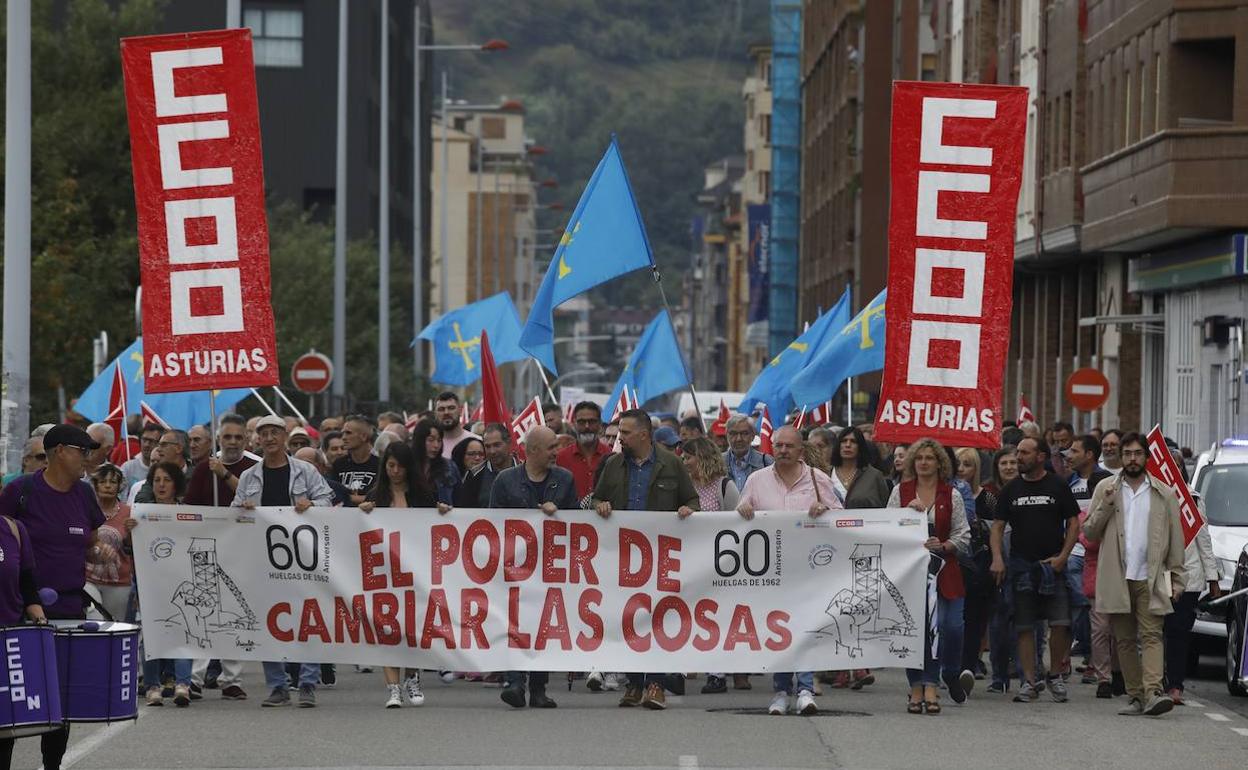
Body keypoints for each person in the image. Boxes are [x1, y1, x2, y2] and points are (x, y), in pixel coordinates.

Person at [0, 424, 117, 769]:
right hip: (19, 611)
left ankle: (52, 765)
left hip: (69, 607)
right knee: (15, 701)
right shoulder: (20, 491)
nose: (88, 457)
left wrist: (99, 553)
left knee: (60, 700)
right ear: (61, 451)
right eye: (82, 451)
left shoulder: (83, 494)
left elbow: (90, 543)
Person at [592, 408, 699, 710]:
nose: (620, 438)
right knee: (629, 620)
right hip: (624, 558)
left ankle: (655, 683)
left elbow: (692, 500)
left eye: (625, 433)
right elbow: (596, 498)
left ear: (643, 434)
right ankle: (634, 683)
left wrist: (687, 511)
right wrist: (600, 506)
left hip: (661, 557)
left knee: (657, 619)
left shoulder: (671, 464)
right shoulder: (613, 465)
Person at [232, 415, 334, 708]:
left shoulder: (306, 471)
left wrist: (312, 505)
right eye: (263, 433)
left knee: (307, 620)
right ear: (258, 439)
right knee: (268, 622)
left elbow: (329, 502)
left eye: (274, 432)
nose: (269, 438)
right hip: (263, 561)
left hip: (302, 559)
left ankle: (308, 683)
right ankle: (277, 685)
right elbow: (233, 514)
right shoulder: (250, 477)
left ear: (284, 436)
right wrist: (243, 509)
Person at [736, 425, 838, 715]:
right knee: (778, 629)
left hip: (809, 569)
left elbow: (843, 518)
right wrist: (742, 511)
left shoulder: (818, 480)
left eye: (788, 446)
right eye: (778, 445)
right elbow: (740, 515)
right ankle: (781, 690)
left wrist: (825, 511)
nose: (782, 451)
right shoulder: (757, 480)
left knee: (805, 627)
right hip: (771, 571)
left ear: (801, 451)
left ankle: (805, 689)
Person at [1082, 432, 1186, 717]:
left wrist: (1177, 579)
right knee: (1124, 639)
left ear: (1147, 457)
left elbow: (1176, 541)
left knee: (1153, 634)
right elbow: (1089, 532)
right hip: (1118, 576)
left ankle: (1153, 692)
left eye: (1137, 453)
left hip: (1152, 576)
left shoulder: (1164, 493)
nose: (1131, 459)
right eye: (1127, 453)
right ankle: (1136, 696)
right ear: (1120, 457)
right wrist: (1105, 503)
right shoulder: (1106, 487)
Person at [489, 426, 578, 709]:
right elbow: (491, 522)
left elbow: (578, 524)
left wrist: (559, 514)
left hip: (550, 566)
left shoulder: (564, 480)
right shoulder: (505, 481)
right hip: (515, 567)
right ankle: (515, 682)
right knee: (514, 621)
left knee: (543, 626)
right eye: (552, 447)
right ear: (534, 451)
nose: (557, 452)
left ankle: (539, 687)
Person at [990, 437, 1080, 705]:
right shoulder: (1011, 489)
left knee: (1061, 623)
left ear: (1041, 456)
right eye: (1018, 452)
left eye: (1024, 453)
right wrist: (997, 558)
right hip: (1021, 567)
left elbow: (1073, 522)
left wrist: (1063, 556)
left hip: (1053, 566)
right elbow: (997, 526)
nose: (1019, 457)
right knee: (1024, 626)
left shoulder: (1058, 485)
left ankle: (1054, 675)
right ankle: (1029, 681)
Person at [888, 439, 971, 714]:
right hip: (912, 573)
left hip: (946, 571)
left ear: (939, 463)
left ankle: (948, 671)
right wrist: (904, 517)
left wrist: (945, 546)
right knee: (918, 631)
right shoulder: (900, 492)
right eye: (919, 458)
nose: (924, 462)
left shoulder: (952, 494)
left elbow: (963, 534)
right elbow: (886, 530)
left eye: (929, 458)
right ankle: (921, 686)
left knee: (950, 626)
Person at [359, 442, 435, 709]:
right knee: (387, 627)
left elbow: (435, 523)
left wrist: (445, 512)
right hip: (385, 571)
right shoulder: (376, 496)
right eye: (391, 466)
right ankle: (393, 688)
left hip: (416, 571)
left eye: (400, 466)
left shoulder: (423, 495)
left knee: (412, 628)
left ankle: (412, 678)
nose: (396, 471)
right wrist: (364, 513)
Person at [826, 425, 889, 691]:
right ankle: (839, 667)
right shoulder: (824, 476)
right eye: (844, 441)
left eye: (853, 441)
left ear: (861, 447)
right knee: (838, 604)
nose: (848, 445)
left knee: (862, 605)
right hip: (831, 549)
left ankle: (861, 664)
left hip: (865, 548)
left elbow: (887, 513)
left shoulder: (874, 477)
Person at [0, 485, 48, 769]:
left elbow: (28, 585)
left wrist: (40, 623)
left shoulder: (13, 529)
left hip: (8, 637)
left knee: (4, 728)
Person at [142, 461, 196, 708]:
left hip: (182, 582)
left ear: (177, 484)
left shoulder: (189, 513)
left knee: (184, 630)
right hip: (151, 583)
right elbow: (130, 548)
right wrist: (131, 531)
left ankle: (183, 684)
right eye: (156, 480)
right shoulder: (141, 513)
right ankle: (152, 685)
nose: (161, 485)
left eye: (166, 480)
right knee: (153, 633)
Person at [1164, 478, 1219, 703]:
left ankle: (1175, 685)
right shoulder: (1152, 492)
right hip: (1162, 573)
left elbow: (1203, 539)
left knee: (1178, 631)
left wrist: (1212, 576)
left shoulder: (1193, 498)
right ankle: (1155, 680)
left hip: (1188, 576)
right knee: (1158, 628)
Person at [1064, 434, 1114, 671]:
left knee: (1097, 612)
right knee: (1078, 607)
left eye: (1074, 451)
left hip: (1101, 557)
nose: (1069, 456)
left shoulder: (1108, 482)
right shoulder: (1069, 484)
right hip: (1073, 554)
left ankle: (1097, 659)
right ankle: (1086, 651)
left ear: (1090, 455)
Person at [955, 448, 996, 683]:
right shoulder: (947, 493)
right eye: (958, 463)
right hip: (955, 562)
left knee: (975, 616)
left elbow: (999, 528)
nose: (962, 468)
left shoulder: (987, 498)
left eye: (968, 464)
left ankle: (970, 663)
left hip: (978, 563)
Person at [85, 463, 134, 623]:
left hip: (118, 580)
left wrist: (131, 532)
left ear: (119, 486)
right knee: (94, 618)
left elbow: (132, 548)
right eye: (103, 481)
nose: (107, 486)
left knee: (114, 625)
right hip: (88, 577)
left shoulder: (129, 512)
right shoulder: (86, 508)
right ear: (95, 484)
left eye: (113, 482)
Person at [185, 414, 256, 507]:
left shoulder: (255, 468)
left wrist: (224, 473)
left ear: (246, 440)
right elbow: (190, 506)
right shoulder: (203, 468)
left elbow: (254, 498)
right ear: (218, 439)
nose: (233, 442)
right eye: (227, 437)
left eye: (238, 437)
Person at [557, 401, 611, 500]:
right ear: (574, 423)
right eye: (581, 422)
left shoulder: (611, 457)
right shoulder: (560, 458)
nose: (587, 427)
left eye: (592, 422)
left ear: (599, 424)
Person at [459, 423, 516, 508]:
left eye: (497, 445)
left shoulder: (527, 470)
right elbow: (464, 511)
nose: (492, 451)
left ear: (509, 443)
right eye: (487, 446)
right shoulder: (474, 475)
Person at [332, 415, 379, 506]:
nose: (343, 437)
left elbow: (380, 498)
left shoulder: (379, 465)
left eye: (348, 433)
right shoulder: (339, 464)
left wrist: (348, 497)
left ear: (364, 436)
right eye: (343, 433)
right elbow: (333, 495)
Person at [413, 420, 461, 505]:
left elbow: (459, 499)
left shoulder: (449, 467)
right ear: (420, 440)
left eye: (439, 440)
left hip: (442, 517)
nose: (436, 445)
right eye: (430, 440)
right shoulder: (408, 464)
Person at [723, 415, 773, 492]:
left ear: (753, 436)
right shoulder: (716, 462)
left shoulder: (766, 462)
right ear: (727, 436)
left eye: (744, 433)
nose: (739, 439)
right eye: (733, 433)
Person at [121, 422, 165, 489]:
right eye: (144, 440)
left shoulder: (167, 469)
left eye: (151, 441)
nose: (146, 445)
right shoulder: (128, 467)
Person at [434, 392, 474, 459]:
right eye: (441, 409)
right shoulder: (430, 447)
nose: (446, 412)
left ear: (460, 410)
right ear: (435, 413)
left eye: (451, 408)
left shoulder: (475, 442)